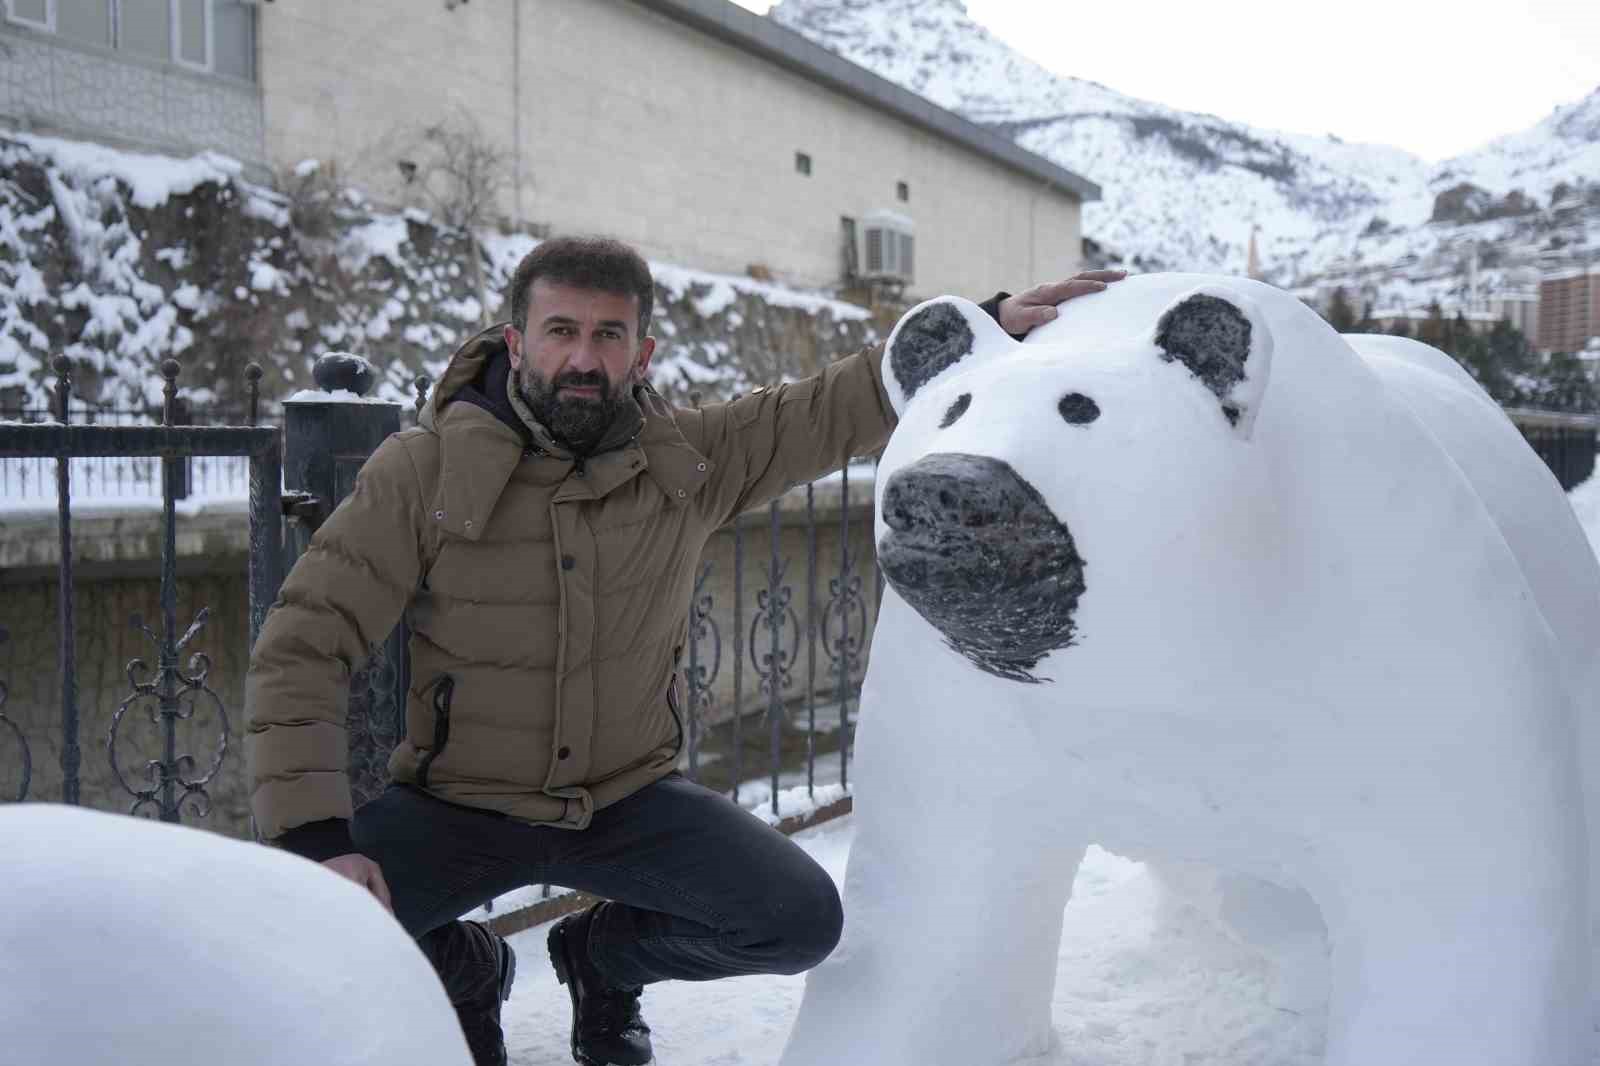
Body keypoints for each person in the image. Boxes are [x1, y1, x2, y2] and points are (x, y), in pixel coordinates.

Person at [244, 236, 1124, 1066]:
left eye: (608, 335)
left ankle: (602, 960)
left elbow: (827, 408)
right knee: (299, 927)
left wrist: (978, 328)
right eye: (560, 331)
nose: (583, 357)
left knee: (797, 920)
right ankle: (464, 969)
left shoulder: (689, 461)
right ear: (516, 342)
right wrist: (320, 837)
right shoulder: (422, 471)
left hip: (626, 800)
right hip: (456, 806)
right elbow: (304, 644)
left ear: (643, 353)